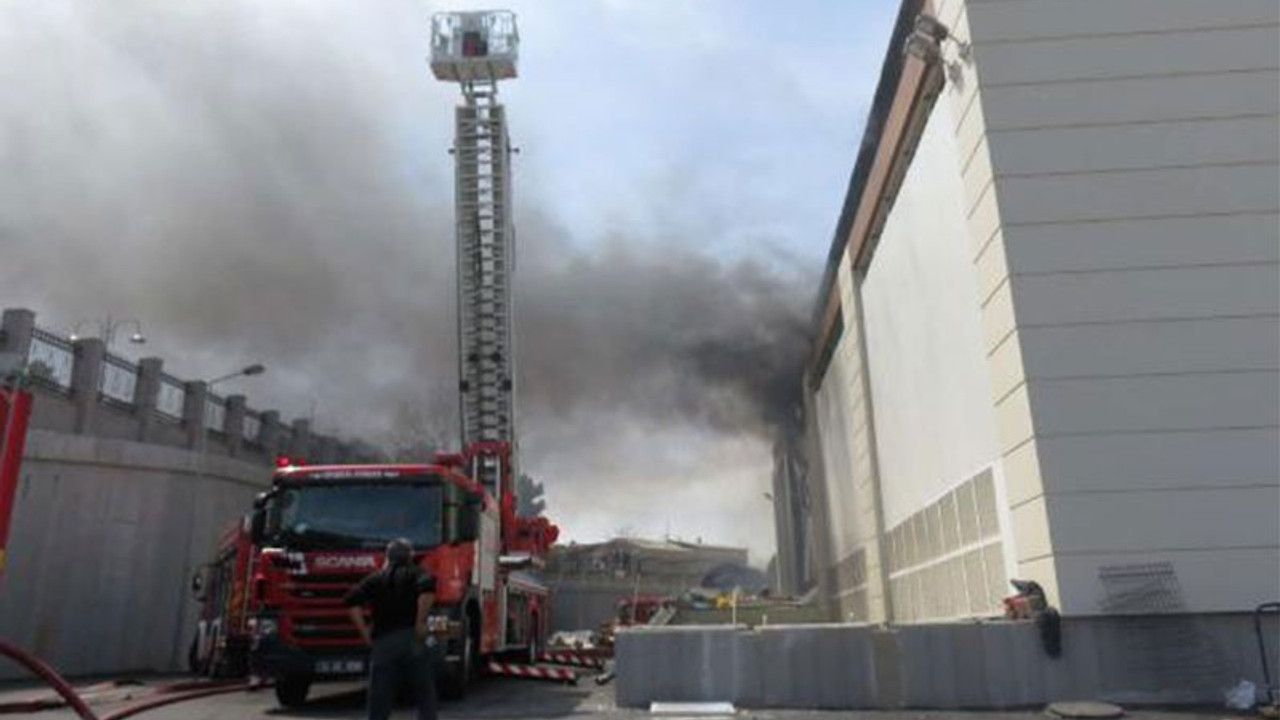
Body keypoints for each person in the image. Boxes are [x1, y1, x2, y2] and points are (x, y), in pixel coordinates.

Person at [342, 538, 438, 720]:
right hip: (412, 640)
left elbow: (351, 602)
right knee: (424, 691)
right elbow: (427, 592)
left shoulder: (375, 578)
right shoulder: (417, 573)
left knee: (379, 694)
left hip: (383, 642)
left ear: (387, 557)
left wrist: (364, 633)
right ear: (410, 556)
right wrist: (420, 622)